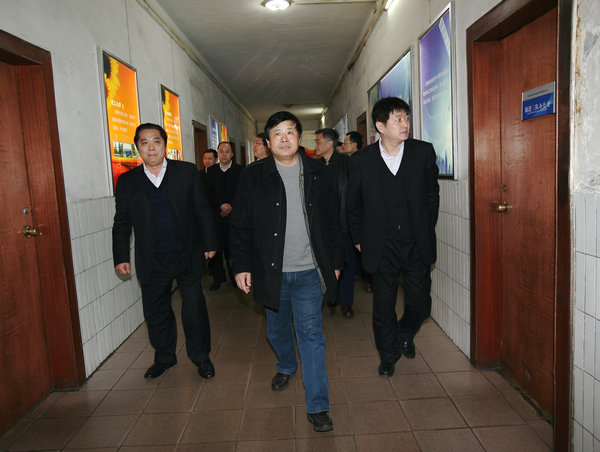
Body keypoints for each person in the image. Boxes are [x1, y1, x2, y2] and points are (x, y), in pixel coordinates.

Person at [230, 111, 343, 433]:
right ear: (267, 142)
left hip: (309, 271)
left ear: (299, 137)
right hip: (271, 272)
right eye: (277, 133)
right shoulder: (253, 176)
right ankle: (286, 364)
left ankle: (318, 406)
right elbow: (239, 225)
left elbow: (333, 221)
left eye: (290, 132)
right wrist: (241, 266)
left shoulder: (319, 173)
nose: (283, 138)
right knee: (277, 331)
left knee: (311, 335)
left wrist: (335, 262)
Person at [112, 123, 217, 380]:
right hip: (152, 259)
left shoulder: (186, 172)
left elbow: (202, 209)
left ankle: (201, 357)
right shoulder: (127, 181)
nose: (151, 147)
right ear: (138, 148)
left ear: (165, 145)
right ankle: (164, 357)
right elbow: (122, 222)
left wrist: (210, 242)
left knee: (194, 309)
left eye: (156, 141)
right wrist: (121, 256)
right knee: (156, 311)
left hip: (187, 254)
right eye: (144, 142)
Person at [347, 97, 439, 378]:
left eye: (406, 118)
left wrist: (425, 227)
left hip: (416, 242)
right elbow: (353, 204)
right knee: (383, 305)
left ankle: (405, 332)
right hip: (380, 244)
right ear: (380, 126)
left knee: (420, 303)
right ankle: (388, 356)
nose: (405, 124)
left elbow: (431, 195)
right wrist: (359, 237)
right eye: (398, 119)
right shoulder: (361, 160)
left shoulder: (422, 152)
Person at [314, 128, 355, 318]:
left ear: (329, 144)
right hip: (324, 226)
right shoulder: (317, 166)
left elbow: (353, 195)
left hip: (344, 225)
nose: (316, 145)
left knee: (346, 264)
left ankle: (346, 302)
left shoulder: (347, 164)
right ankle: (332, 294)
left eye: (318, 141)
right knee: (326, 262)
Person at [205, 141, 242, 290]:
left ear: (232, 154)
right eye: (221, 151)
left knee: (233, 249)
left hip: (234, 217)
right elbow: (208, 193)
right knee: (216, 249)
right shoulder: (211, 171)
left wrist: (231, 205)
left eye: (227, 151)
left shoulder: (240, 170)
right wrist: (220, 204)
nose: (224, 154)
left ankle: (235, 277)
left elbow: (242, 192)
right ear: (218, 154)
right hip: (217, 216)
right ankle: (218, 278)